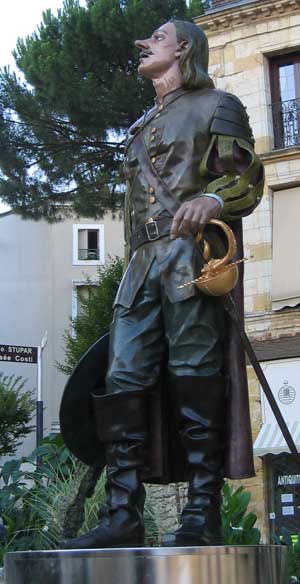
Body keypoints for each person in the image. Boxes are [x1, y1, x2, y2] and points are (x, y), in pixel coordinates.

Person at [64, 19, 264, 549]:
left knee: (195, 374)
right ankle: (122, 514)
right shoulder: (138, 126)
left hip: (189, 261)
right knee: (123, 380)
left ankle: (203, 514)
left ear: (183, 48)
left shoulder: (217, 105)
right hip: (141, 267)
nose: (142, 44)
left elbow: (247, 175)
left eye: (155, 37)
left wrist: (214, 199)